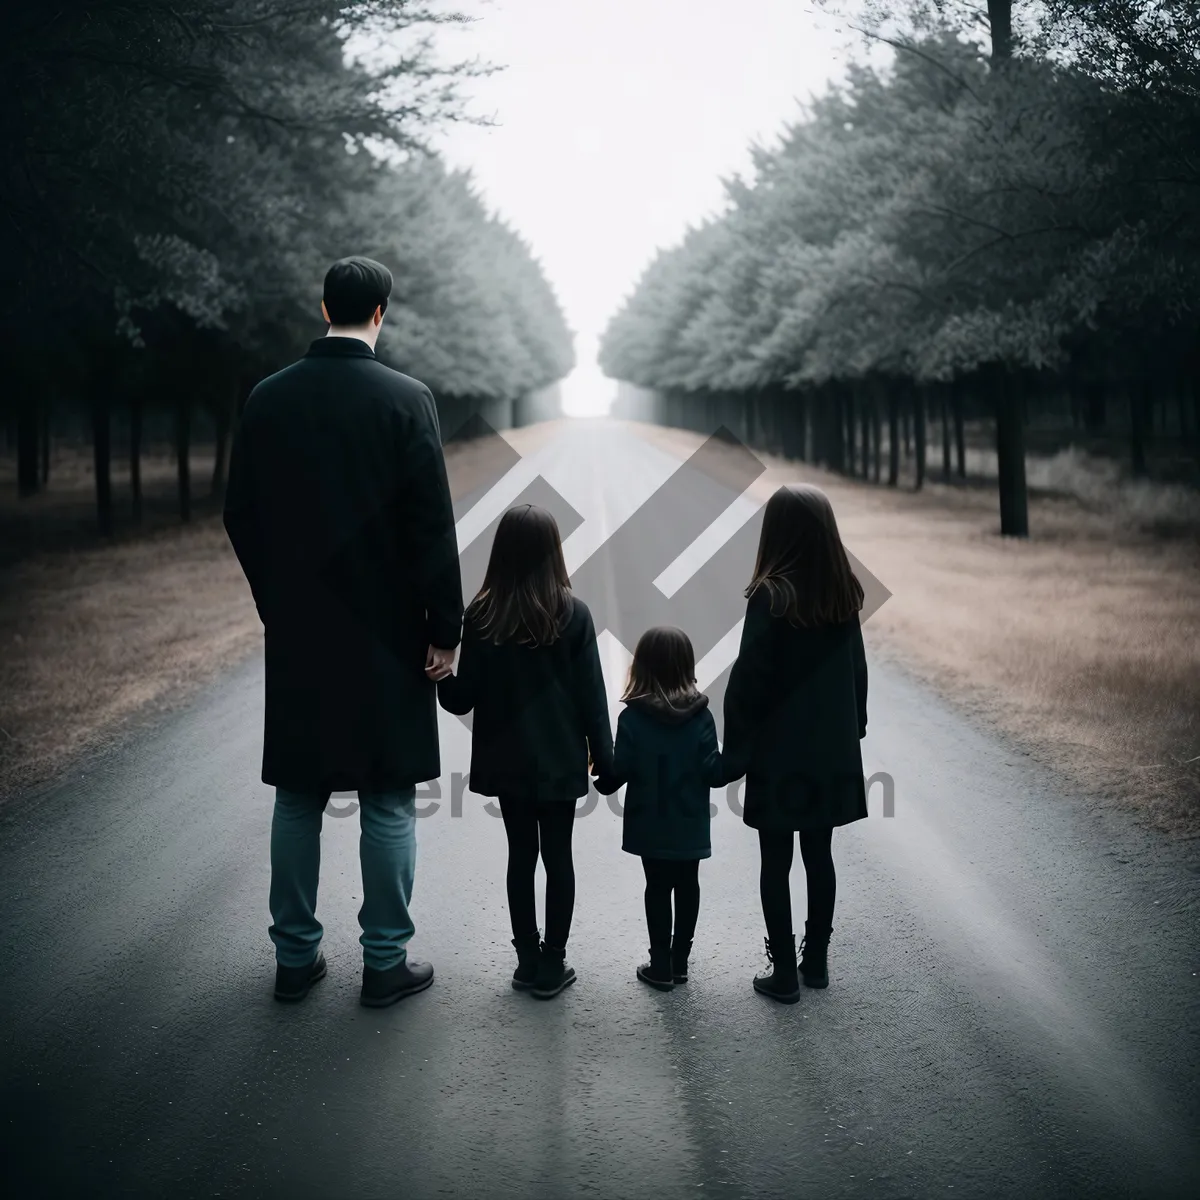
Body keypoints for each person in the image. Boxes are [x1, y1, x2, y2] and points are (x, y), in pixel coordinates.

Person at [223, 256, 463, 1008]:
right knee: (388, 797)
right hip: (388, 631)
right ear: (381, 313)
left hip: (301, 630)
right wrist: (446, 628)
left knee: (298, 795)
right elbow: (430, 526)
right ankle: (384, 964)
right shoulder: (406, 399)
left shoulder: (268, 397)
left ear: (322, 305)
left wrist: (277, 601)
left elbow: (241, 513)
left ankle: (295, 960)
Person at [432, 504, 614, 1000]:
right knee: (559, 858)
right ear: (553, 552)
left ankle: (526, 960)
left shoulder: (483, 614)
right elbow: (592, 700)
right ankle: (553, 964)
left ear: (502, 552)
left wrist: (442, 679)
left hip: (506, 764)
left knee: (520, 856)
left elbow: (463, 698)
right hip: (559, 763)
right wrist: (607, 761)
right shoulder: (574, 614)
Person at [721, 484, 868, 1003]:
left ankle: (783, 972)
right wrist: (857, 729)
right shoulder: (842, 592)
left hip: (779, 752)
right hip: (829, 749)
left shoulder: (771, 594)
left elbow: (750, 680)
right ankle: (817, 964)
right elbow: (856, 670)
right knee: (819, 855)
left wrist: (733, 752)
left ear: (776, 532)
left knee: (775, 860)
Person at [596, 627, 723, 992]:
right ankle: (681, 961)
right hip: (690, 822)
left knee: (657, 887)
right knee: (688, 886)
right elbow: (714, 773)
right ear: (686, 666)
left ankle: (661, 964)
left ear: (642, 667)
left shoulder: (633, 717)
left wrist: (598, 779)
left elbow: (619, 771)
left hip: (649, 823)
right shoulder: (701, 716)